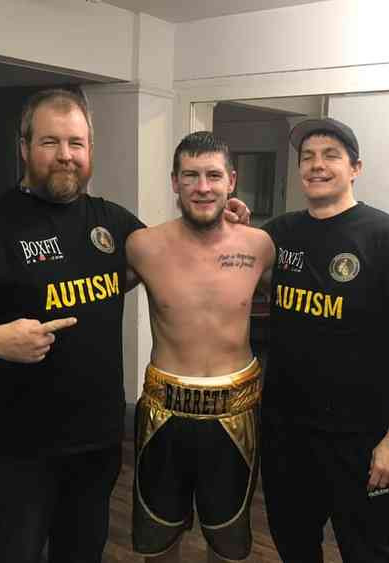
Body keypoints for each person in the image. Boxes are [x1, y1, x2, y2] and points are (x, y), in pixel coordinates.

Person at [0, 89, 250, 563]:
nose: (65, 156)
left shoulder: (111, 222)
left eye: (76, 144)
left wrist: (220, 220)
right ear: (24, 147)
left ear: (90, 151)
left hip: (96, 443)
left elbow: (172, 254)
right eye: (50, 143)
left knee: (82, 552)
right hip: (16, 448)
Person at [260, 118, 389, 562]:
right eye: (307, 158)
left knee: (366, 552)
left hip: (358, 441)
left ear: (355, 167)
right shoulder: (279, 234)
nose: (317, 165)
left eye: (331, 156)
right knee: (295, 546)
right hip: (286, 435)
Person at [126, 132, 275, 563]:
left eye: (213, 175)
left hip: (236, 411)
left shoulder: (258, 246)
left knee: (226, 538)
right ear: (174, 182)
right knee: (158, 535)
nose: (202, 186)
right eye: (190, 175)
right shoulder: (143, 246)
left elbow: (303, 313)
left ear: (232, 180)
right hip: (163, 411)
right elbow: (89, 295)